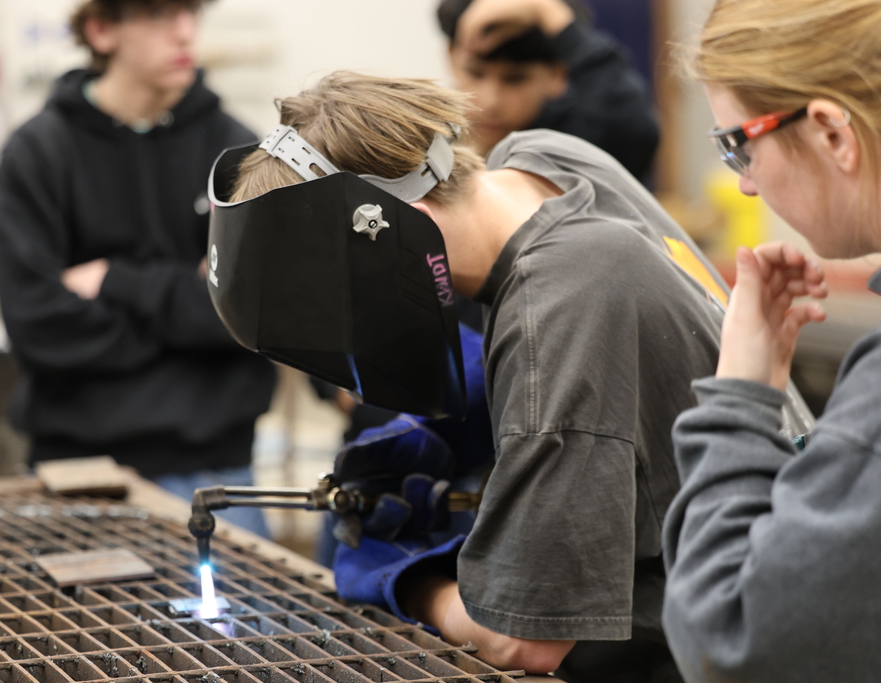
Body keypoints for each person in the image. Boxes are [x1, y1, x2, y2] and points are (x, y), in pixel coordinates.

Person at [221, 71, 799, 683]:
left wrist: (411, 580)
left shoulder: (558, 305)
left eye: (336, 298)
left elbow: (523, 640)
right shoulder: (546, 157)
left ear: (389, 233)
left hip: (739, 648)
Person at [660, 1, 881, 681]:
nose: (744, 181)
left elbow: (736, 645)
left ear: (831, 132)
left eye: (740, 144)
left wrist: (739, 396)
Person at [0, 0, 276, 536]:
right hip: (76, 474)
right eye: (158, 15)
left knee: (243, 622)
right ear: (101, 30)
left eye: (191, 12)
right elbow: (39, 326)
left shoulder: (237, 153)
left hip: (217, 478)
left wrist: (115, 283)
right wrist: (192, 308)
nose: (186, 32)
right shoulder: (37, 153)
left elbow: (259, 315)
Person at [437, 0, 660, 181]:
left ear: (558, 75)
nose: (490, 101)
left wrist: (548, 12)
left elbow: (634, 131)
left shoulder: (570, 147)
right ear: (450, 56)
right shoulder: (428, 139)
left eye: (515, 80)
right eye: (476, 73)